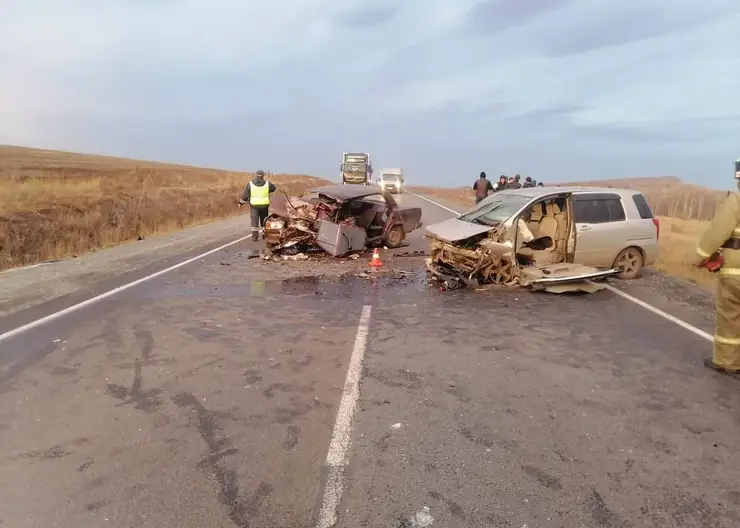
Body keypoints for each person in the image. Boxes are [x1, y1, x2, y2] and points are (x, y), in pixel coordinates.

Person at [693, 159, 740, 379]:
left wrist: (699, 257)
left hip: (735, 274)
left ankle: (725, 362)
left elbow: (716, 233)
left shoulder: (736, 201)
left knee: (730, 317)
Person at [238, 169, 277, 242]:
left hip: (254, 205)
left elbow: (245, 196)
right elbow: (274, 188)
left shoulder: (250, 184)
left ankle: (254, 237)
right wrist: (268, 190)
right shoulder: (267, 184)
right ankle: (265, 235)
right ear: (263, 175)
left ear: (256, 175)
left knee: (254, 221)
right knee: (264, 220)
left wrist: (240, 203)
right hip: (264, 205)